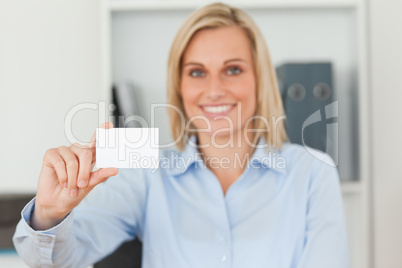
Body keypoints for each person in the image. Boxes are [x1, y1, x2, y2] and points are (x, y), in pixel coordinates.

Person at [13, 2, 349, 268]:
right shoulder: (147, 175)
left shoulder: (312, 173)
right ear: (180, 86)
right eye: (197, 72)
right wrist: (50, 214)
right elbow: (59, 259)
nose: (214, 89)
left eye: (233, 69)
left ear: (260, 80)